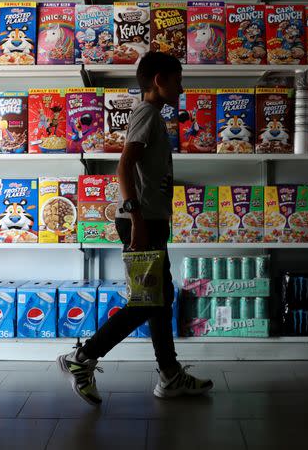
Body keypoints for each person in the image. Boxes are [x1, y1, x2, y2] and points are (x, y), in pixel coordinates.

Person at [57, 51, 214, 405]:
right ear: (159, 80)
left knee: (159, 299)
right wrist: (137, 218)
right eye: (177, 79)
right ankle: (82, 359)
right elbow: (124, 167)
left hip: (150, 220)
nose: (181, 86)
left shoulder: (153, 115)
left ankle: (170, 375)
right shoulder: (147, 114)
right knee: (147, 302)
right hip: (140, 222)